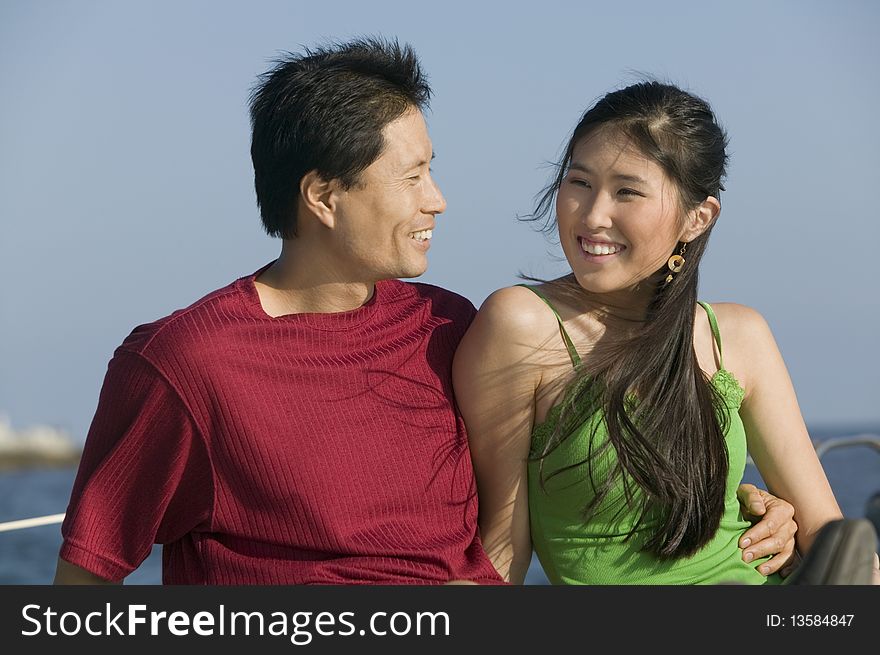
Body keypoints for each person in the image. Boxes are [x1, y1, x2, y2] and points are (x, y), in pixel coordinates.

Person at [53, 42, 796, 585]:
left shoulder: (446, 327)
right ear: (323, 196)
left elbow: (536, 509)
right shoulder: (187, 364)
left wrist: (743, 504)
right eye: (412, 176)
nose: (437, 198)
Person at [453, 81, 879, 585]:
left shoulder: (737, 335)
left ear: (697, 218)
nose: (592, 216)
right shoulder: (522, 324)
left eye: (627, 191)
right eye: (579, 182)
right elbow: (502, 546)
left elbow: (830, 536)